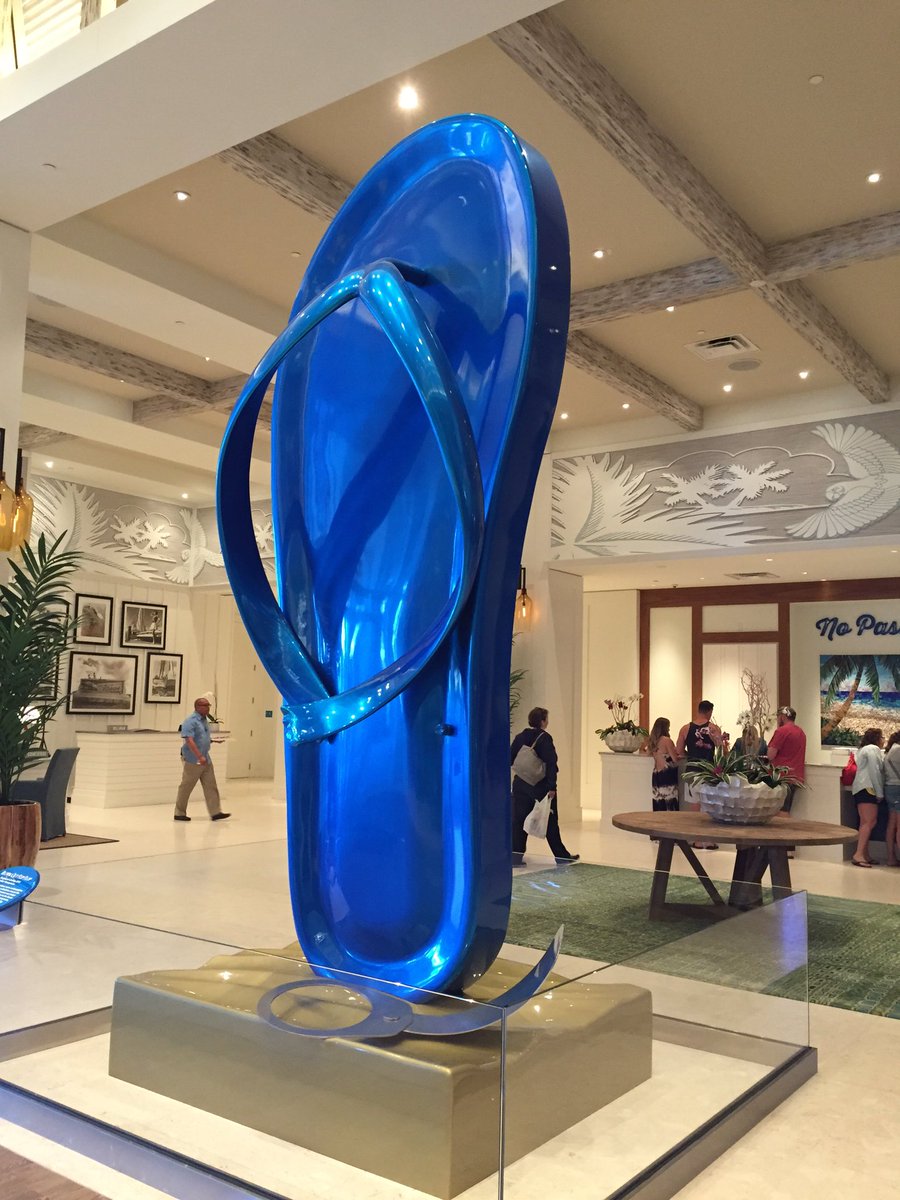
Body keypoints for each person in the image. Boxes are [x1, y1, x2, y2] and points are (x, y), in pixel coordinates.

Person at [510, 706, 578, 866]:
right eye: (546, 719)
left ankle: (515, 857)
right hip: (540, 787)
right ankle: (561, 856)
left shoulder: (520, 737)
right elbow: (551, 763)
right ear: (542, 721)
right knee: (550, 820)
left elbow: (510, 757)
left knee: (518, 820)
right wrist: (552, 786)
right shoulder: (544, 738)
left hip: (520, 783)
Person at [174, 697, 230, 822]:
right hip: (193, 759)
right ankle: (179, 812)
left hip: (206, 758)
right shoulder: (190, 721)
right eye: (205, 706)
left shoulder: (204, 721)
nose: (208, 708)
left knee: (211, 785)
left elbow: (201, 738)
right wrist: (199, 756)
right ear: (198, 707)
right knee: (186, 786)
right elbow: (189, 740)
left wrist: (213, 741)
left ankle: (215, 812)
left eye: (208, 706)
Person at [676, 700, 723, 849]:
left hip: (692, 770)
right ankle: (708, 840)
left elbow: (679, 751)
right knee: (708, 804)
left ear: (698, 710)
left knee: (695, 805)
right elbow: (721, 748)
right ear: (709, 712)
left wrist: (691, 754)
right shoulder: (713, 728)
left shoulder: (685, 728)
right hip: (708, 771)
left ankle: (697, 840)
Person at [850, 727, 884, 868]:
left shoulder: (862, 750)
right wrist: (879, 792)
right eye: (882, 737)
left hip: (860, 788)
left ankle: (864, 853)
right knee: (869, 822)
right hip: (868, 788)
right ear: (877, 739)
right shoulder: (873, 749)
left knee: (864, 822)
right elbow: (874, 771)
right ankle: (859, 854)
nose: (883, 740)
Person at [766, 706, 806, 814]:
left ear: (783, 717)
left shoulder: (781, 731)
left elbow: (770, 755)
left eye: (778, 716)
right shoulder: (801, 732)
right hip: (795, 777)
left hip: (781, 777)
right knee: (786, 809)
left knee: (779, 811)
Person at [647, 717, 680, 813]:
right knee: (669, 802)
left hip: (656, 774)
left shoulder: (652, 741)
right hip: (667, 774)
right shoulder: (667, 740)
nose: (669, 729)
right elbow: (674, 759)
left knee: (659, 801)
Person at [883, 730, 900, 868]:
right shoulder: (898, 750)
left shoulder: (890, 751)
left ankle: (890, 857)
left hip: (889, 788)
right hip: (898, 788)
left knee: (892, 824)